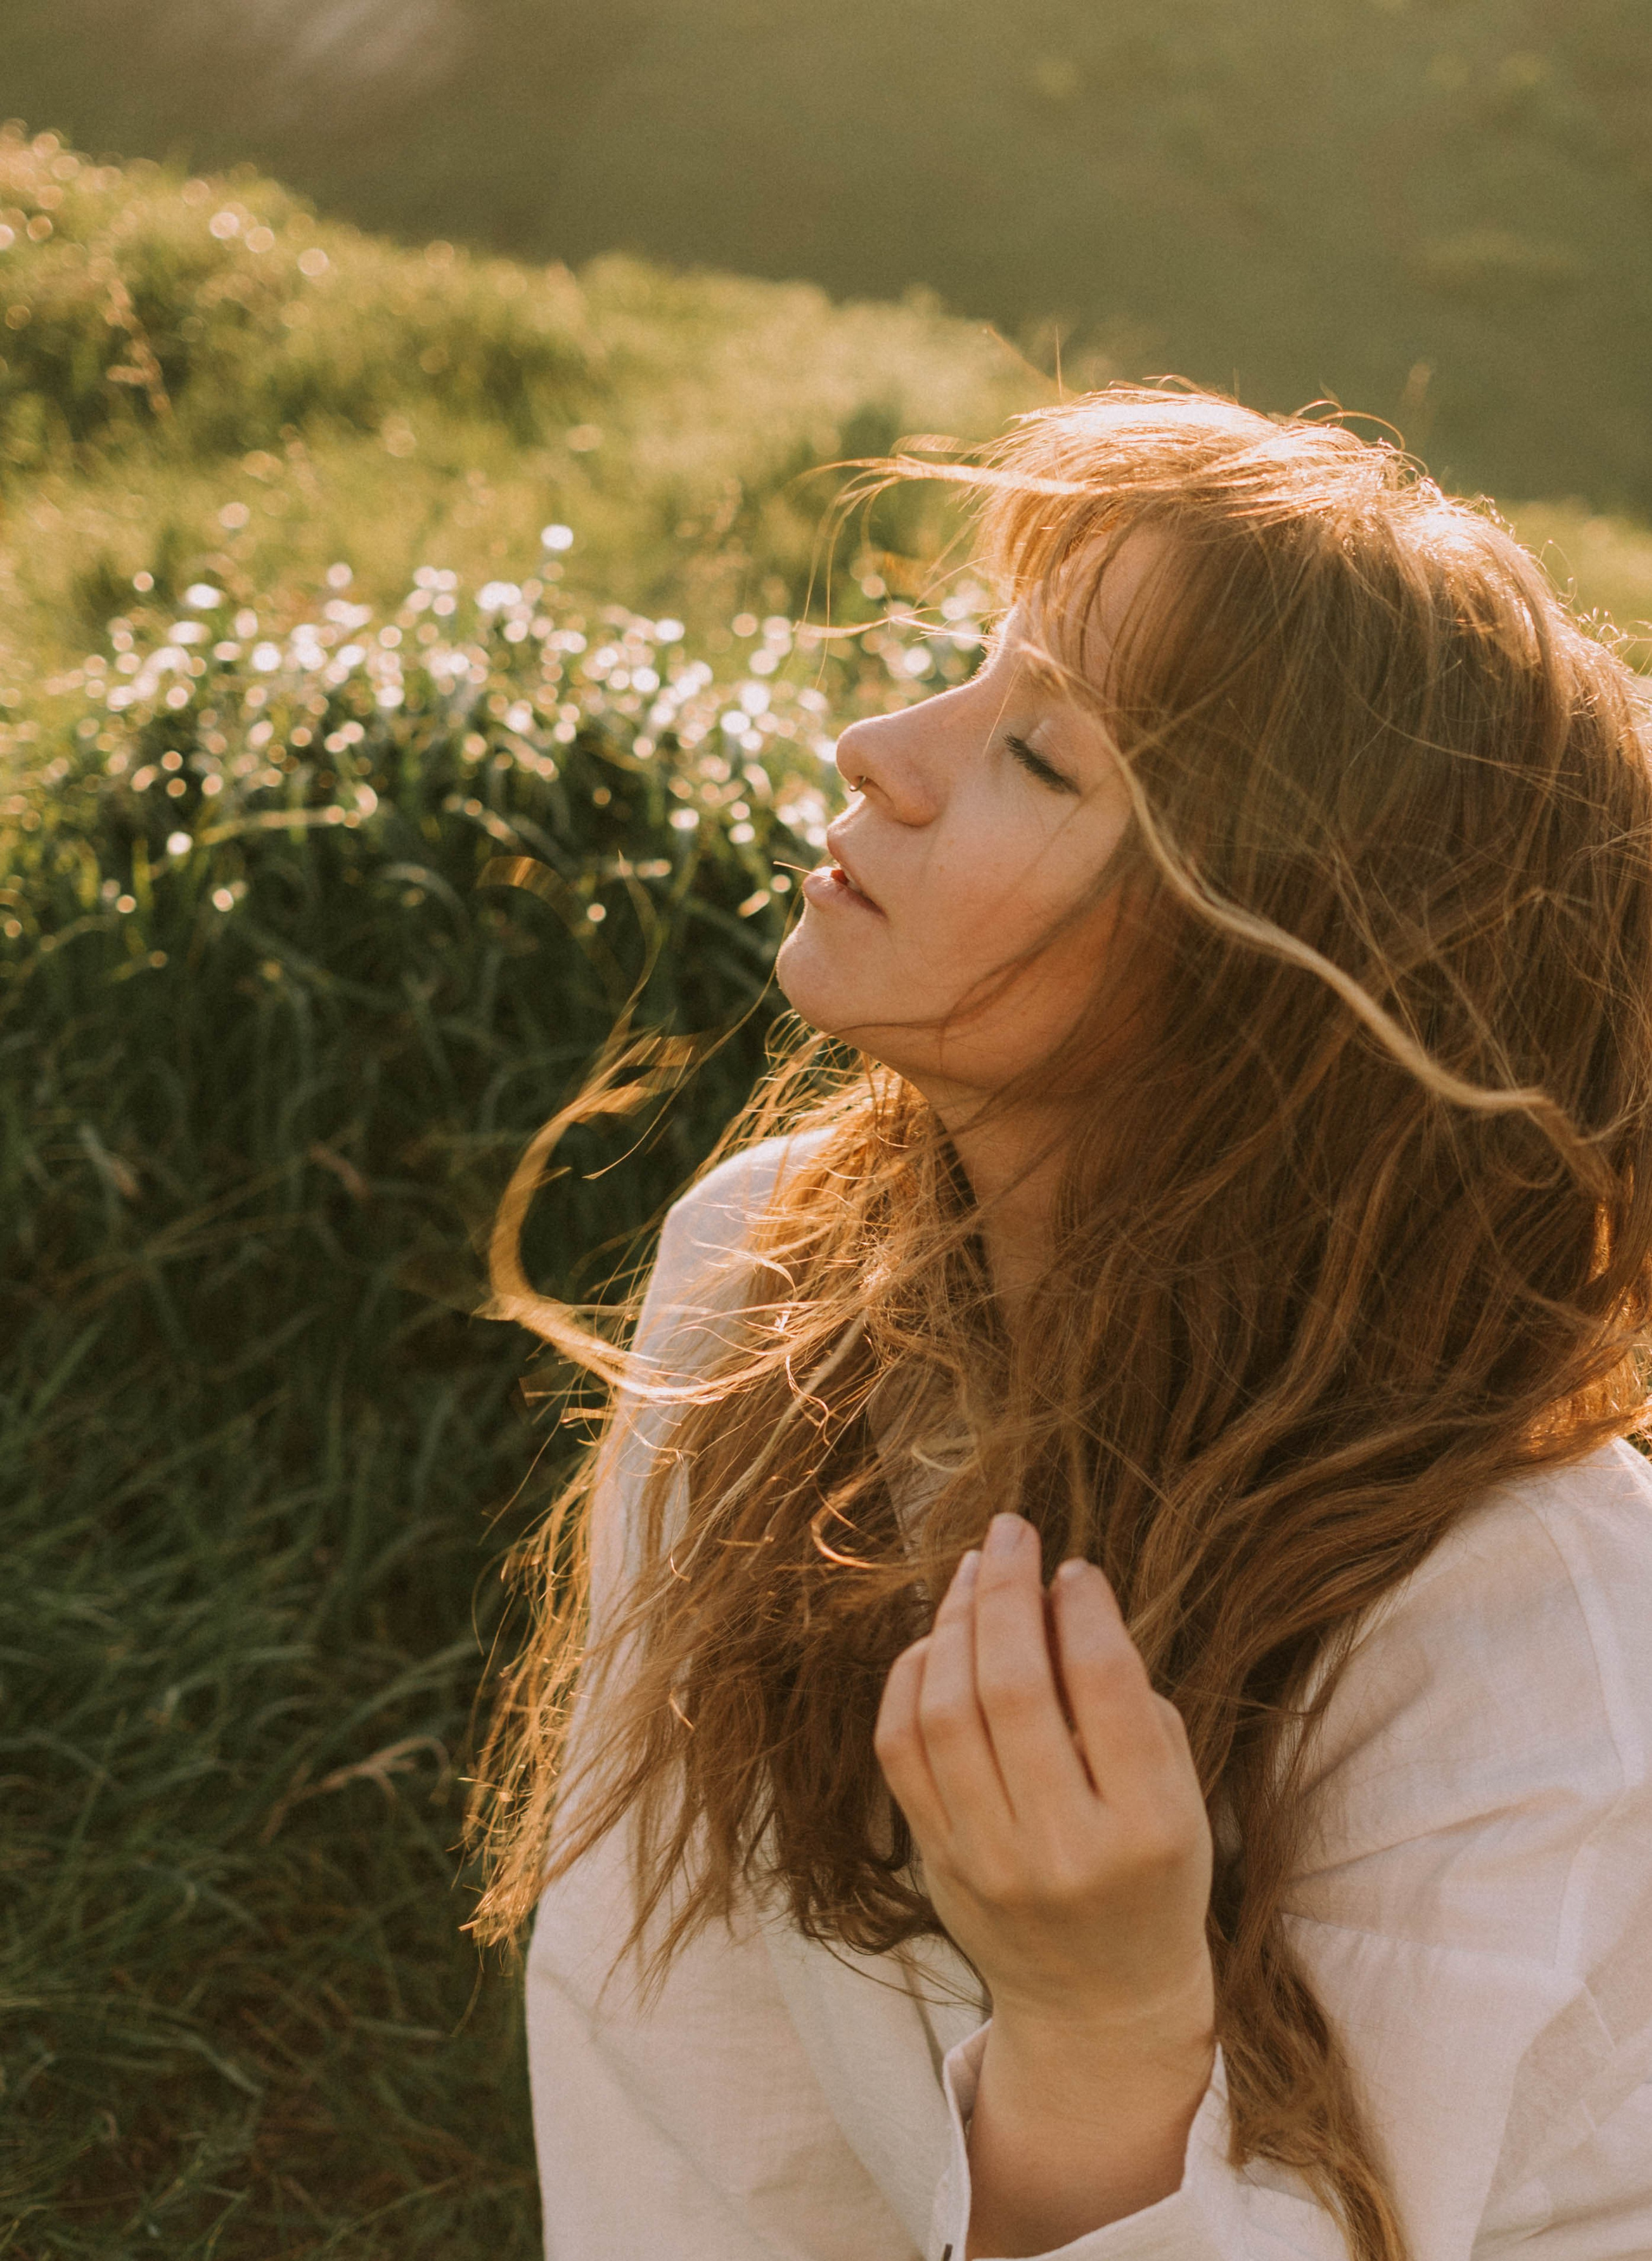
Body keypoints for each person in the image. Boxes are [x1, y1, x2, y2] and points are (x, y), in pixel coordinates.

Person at [470, 387, 1652, 2260]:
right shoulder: (770, 1273)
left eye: (1041, 757)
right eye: (971, 671)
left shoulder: (1525, 1634)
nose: (879, 750)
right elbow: (677, 2065)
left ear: (1272, 977)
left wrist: (1108, 2038)